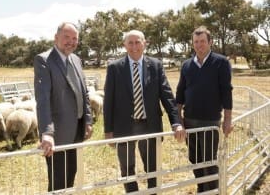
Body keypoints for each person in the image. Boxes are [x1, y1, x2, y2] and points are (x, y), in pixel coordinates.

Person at [103, 29, 185, 193]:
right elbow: (108, 101)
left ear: (145, 43)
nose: (134, 46)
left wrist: (176, 122)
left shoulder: (155, 65)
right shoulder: (114, 68)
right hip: (124, 127)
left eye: (137, 42)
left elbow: (167, 96)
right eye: (130, 43)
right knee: (127, 168)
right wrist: (108, 131)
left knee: (152, 168)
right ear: (124, 45)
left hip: (150, 125)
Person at [33, 22, 93, 191]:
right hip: (57, 135)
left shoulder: (76, 59)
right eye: (66, 37)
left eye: (75, 38)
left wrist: (87, 120)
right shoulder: (44, 60)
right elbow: (43, 99)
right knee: (58, 181)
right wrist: (47, 133)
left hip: (77, 130)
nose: (71, 41)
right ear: (56, 37)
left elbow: (84, 93)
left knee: (70, 175)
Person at [176, 26, 233, 193]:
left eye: (202, 41)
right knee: (195, 159)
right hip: (190, 121)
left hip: (210, 121)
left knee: (209, 161)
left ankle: (213, 190)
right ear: (192, 44)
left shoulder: (221, 62)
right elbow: (180, 92)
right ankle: (201, 188)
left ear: (210, 42)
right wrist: (179, 118)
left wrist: (228, 120)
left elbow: (226, 92)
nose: (199, 45)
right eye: (196, 42)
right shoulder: (186, 65)